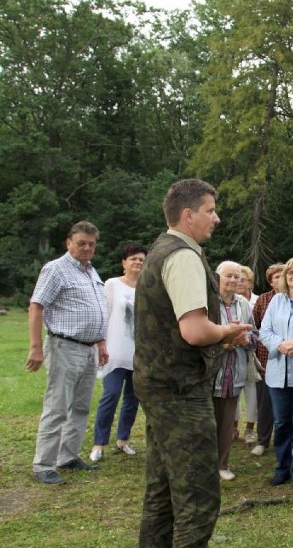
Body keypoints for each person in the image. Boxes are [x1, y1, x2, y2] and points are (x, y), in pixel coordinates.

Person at [133, 178, 251, 547]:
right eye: (210, 210)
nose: (216, 218)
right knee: (198, 500)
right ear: (188, 215)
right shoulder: (183, 256)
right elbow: (195, 330)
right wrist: (227, 331)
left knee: (163, 491)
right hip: (181, 392)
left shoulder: (161, 249)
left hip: (160, 386)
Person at [27, 221, 109, 485]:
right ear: (69, 243)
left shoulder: (91, 271)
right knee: (58, 406)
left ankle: (68, 456)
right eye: (81, 243)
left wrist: (100, 343)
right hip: (64, 346)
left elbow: (95, 312)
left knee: (81, 406)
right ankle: (44, 464)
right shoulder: (56, 269)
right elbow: (37, 306)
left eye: (91, 244)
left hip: (88, 349)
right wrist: (36, 347)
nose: (87, 248)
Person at [259, 257, 293, 492]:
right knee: (282, 423)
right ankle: (282, 468)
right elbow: (265, 330)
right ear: (285, 277)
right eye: (291, 273)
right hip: (278, 371)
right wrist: (281, 345)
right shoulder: (276, 301)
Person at [90, 243, 147, 462]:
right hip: (115, 351)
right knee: (111, 395)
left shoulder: (148, 287)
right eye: (133, 258)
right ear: (124, 262)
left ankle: (123, 439)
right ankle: (99, 443)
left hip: (139, 355)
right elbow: (103, 314)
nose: (138, 262)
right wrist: (100, 343)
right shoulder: (112, 284)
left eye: (142, 259)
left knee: (133, 399)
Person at [213, 261, 255, 482]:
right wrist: (222, 343)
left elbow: (255, 335)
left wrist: (246, 339)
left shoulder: (244, 304)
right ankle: (204, 465)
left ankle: (222, 464)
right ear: (217, 277)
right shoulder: (208, 301)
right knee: (207, 421)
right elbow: (195, 335)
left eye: (237, 277)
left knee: (227, 421)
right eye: (228, 276)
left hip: (234, 372)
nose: (233, 281)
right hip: (210, 373)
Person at [250, 262, 287, 457]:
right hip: (266, 360)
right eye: (277, 277)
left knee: (289, 405)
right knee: (265, 404)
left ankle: (290, 441)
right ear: (271, 282)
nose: (281, 280)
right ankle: (263, 441)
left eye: (284, 275)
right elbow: (254, 328)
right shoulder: (263, 300)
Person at [235, 264, 259, 444]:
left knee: (252, 392)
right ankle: (233, 427)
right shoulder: (227, 300)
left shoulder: (256, 301)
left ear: (250, 282)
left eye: (243, 279)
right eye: (237, 279)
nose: (240, 283)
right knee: (233, 392)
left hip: (253, 352)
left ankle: (250, 430)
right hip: (233, 351)